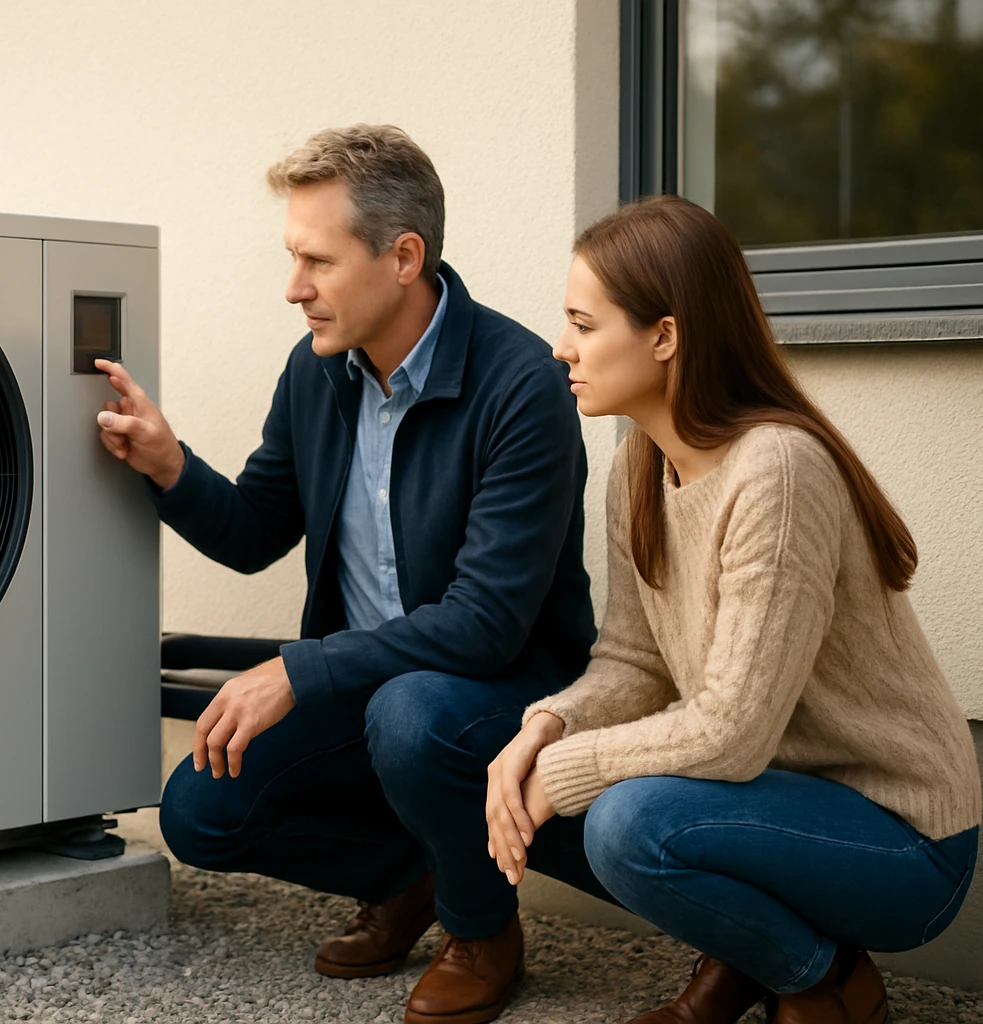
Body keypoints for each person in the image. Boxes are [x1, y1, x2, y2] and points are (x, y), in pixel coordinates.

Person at [93, 124, 599, 1024]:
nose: (295, 289)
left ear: (403, 258)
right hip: (368, 689)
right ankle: (414, 875)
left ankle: (481, 928)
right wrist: (170, 466)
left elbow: (486, 623)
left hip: (501, 691)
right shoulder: (318, 370)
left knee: (413, 714)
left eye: (317, 262)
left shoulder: (521, 385)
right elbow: (255, 530)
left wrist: (298, 669)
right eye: (294, 258)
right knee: (202, 811)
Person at [486, 194, 982, 1024]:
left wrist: (562, 774)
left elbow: (732, 729)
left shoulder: (779, 474)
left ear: (666, 336)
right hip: (773, 803)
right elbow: (634, 664)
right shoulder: (639, 467)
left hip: (903, 840)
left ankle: (825, 980)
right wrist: (545, 731)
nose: (560, 347)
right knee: (565, 784)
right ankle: (759, 965)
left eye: (583, 322)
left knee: (625, 820)